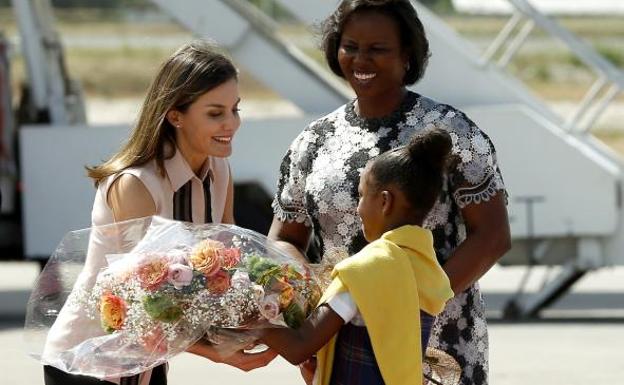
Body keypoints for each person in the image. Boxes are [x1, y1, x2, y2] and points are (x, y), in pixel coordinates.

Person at [268, 1, 511, 384]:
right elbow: (285, 239)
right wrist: (308, 319)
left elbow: (493, 236)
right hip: (338, 337)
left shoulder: (454, 133)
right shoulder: (313, 142)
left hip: (434, 342)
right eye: (350, 46)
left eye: (378, 49)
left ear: (407, 54)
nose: (361, 59)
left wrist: (411, 303)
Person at [41, 40, 277, 385]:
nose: (231, 124)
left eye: (235, 109)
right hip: (86, 363)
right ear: (175, 115)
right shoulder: (135, 184)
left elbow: (226, 269)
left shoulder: (221, 172)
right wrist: (216, 352)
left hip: (149, 361)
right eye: (215, 113)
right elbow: (133, 303)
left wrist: (270, 312)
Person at [262, 129, 455, 385]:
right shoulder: (426, 267)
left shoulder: (366, 272)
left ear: (385, 202)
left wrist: (251, 324)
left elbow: (300, 346)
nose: (358, 207)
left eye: (362, 195)